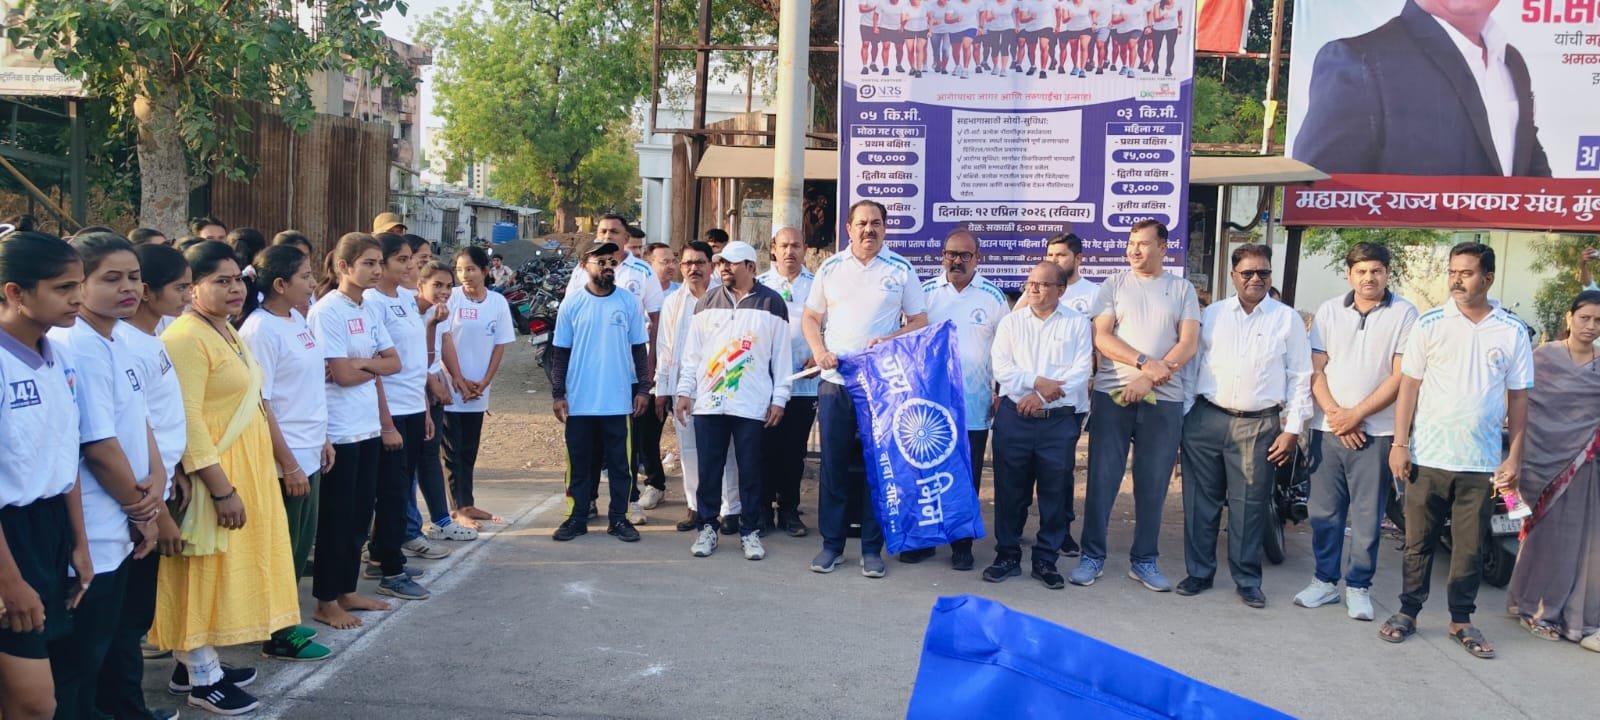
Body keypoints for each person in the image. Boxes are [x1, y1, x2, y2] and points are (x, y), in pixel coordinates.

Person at [154, 241, 300, 715]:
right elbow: (189, 420)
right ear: (191, 287)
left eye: (237, 278)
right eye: (220, 280)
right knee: (201, 571)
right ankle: (203, 678)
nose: (234, 288)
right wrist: (219, 487)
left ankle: (193, 660)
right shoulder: (184, 338)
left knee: (224, 569)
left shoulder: (224, 330)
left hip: (244, 467)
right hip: (214, 473)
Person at [1381, 242, 1533, 660]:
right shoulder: (1429, 324)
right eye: (1452, 272)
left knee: (1469, 547)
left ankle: (1461, 619)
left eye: (1466, 273)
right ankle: (1408, 611)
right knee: (1418, 542)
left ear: (1487, 278)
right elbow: (1408, 386)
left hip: (1480, 464)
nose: (1456, 280)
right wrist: (1400, 444)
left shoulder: (1512, 331)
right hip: (1427, 458)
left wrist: (1513, 457)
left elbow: (1519, 398)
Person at [44, 235, 168, 720]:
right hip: (98, 522)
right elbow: (97, 445)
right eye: (110, 279)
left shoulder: (114, 341)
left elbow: (138, 423)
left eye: (134, 277)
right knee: (79, 661)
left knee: (110, 643)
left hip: (126, 517)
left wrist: (155, 481)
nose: (128, 289)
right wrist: (142, 509)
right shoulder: (78, 345)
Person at [1177, 244, 1313, 609]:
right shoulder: (1214, 315)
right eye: (1248, 273)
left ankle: (1247, 578)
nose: (1256, 279)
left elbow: (1301, 376)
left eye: (1263, 273)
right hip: (1206, 419)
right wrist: (1187, 417)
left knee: (1249, 505)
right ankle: (1199, 573)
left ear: (1271, 276)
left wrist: (1292, 429)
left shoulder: (1287, 319)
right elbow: (1192, 367)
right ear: (1233, 276)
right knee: (1199, 503)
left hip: (1258, 425)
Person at [1293, 243, 1418, 621]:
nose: (1369, 278)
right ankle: (1325, 582)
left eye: (1376, 270)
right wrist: (1335, 414)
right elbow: (1316, 368)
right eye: (1362, 271)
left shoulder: (1404, 312)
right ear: (1349, 273)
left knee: (1367, 516)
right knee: (1324, 513)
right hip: (1327, 429)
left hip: (1375, 433)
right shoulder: (1330, 310)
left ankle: (1359, 587)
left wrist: (1357, 415)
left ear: (1387, 273)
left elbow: (1400, 376)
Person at [804, 200, 929, 578]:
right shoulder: (830, 268)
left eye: (875, 223)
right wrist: (820, 351)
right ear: (848, 228)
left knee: (879, 468)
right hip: (836, 384)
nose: (868, 230)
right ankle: (832, 546)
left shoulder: (901, 270)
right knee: (834, 467)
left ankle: (873, 549)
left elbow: (920, 321)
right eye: (861, 223)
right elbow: (811, 317)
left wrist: (890, 338)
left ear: (885, 228)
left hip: (881, 388)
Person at [1294, 0, 1550, 177]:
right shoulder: (1360, 59)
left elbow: (1528, 163)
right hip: (1417, 245)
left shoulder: (1511, 62)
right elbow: (1319, 193)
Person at [1077, 219, 1199, 591]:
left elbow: (1188, 344)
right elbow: (1102, 337)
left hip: (1164, 400)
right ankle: (1092, 555)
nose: (1134, 250)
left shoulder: (1182, 289)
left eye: (1143, 244)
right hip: (1113, 396)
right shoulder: (1113, 285)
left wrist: (1150, 378)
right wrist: (1144, 364)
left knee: (1153, 483)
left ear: (1163, 248)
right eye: (1131, 243)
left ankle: (1144, 560)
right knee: (1101, 478)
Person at [100, 243, 193, 720]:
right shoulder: (115, 346)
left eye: (133, 278)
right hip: (129, 503)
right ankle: (126, 709)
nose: (128, 289)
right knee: (120, 621)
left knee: (131, 616)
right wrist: (155, 511)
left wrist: (171, 473)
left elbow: (152, 422)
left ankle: (126, 706)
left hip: (155, 488)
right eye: (180, 287)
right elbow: (109, 440)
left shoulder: (148, 338)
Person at [0, 232, 90, 720]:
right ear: (15, 292)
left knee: (41, 687)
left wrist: (78, 542)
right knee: (35, 702)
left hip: (50, 529)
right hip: (9, 539)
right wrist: (10, 583)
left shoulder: (60, 355)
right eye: (62, 288)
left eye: (78, 284)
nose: (77, 298)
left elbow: (65, 455)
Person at [237, 245, 339, 662]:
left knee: (298, 545)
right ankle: (276, 632)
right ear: (279, 284)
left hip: (309, 448)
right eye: (305, 276)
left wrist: (324, 438)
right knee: (281, 548)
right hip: (286, 458)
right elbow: (261, 405)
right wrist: (289, 462)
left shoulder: (296, 318)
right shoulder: (259, 331)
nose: (313, 282)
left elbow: (308, 386)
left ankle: (283, 620)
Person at [306, 233, 404, 630]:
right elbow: (341, 376)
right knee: (337, 517)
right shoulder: (328, 311)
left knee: (361, 514)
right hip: (340, 429)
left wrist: (361, 364)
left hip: (366, 428)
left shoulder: (368, 308)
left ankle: (347, 589)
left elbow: (394, 362)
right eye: (368, 262)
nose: (377, 270)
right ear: (344, 267)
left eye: (379, 262)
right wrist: (367, 364)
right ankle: (325, 600)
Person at [674, 241, 793, 560]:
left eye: (733, 263)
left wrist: (780, 398)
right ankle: (707, 528)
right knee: (709, 469)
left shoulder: (772, 303)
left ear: (751, 267)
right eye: (721, 262)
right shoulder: (706, 302)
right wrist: (685, 391)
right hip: (710, 402)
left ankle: (751, 531)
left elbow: (782, 357)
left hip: (752, 404)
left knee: (751, 471)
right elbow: (692, 355)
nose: (724, 267)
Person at [983, 262, 1093, 590]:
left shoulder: (1076, 324)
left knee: (1054, 493)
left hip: (1057, 423)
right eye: (1031, 283)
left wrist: (1041, 398)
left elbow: (1080, 372)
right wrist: (1036, 384)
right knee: (1009, 491)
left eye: (1043, 285)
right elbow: (1001, 367)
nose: (1034, 289)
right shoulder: (1011, 322)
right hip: (1014, 418)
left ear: (1061, 290)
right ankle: (1007, 555)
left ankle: (1046, 559)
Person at [909, 229, 1007, 570]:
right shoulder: (925, 294)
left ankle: (961, 542)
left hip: (974, 405)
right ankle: (925, 540)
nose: (957, 261)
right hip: (931, 406)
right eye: (951, 254)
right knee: (927, 475)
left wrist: (1000, 391)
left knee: (966, 476)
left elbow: (1005, 350)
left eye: (965, 255)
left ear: (978, 259)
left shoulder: (993, 297)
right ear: (942, 255)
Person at [1507, 290, 1600, 652]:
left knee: (1582, 545)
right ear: (1569, 318)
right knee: (1542, 540)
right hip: (1537, 463)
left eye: (1598, 320)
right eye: (1585, 318)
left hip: (1583, 466)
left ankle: (1572, 612)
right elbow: (1522, 404)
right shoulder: (1542, 358)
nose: (1591, 326)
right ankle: (1535, 609)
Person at [550, 242, 651, 543]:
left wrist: (643, 389)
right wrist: (558, 394)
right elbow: (560, 353)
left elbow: (639, 350)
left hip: (618, 401)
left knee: (622, 465)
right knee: (579, 463)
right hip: (580, 402)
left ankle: (619, 519)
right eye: (600, 261)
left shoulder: (628, 303)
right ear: (584, 265)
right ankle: (578, 517)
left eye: (612, 260)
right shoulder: (572, 304)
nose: (608, 266)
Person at [567, 215, 663, 524]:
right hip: (586, 382)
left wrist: (646, 378)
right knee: (586, 450)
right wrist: (561, 388)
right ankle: (586, 503)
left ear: (626, 237)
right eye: (603, 230)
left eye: (614, 231)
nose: (608, 234)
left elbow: (653, 324)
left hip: (624, 380)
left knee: (624, 451)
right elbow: (567, 334)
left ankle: (627, 505)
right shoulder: (580, 273)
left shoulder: (641, 271)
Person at [361, 235, 439, 597]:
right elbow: (377, 366)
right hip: (388, 410)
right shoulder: (372, 302)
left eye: (411, 259)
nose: (411, 266)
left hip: (410, 406)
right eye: (401, 260)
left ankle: (382, 555)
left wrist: (424, 406)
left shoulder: (406, 300)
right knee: (391, 493)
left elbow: (415, 360)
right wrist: (386, 422)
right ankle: (391, 569)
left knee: (401, 489)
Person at [656, 241, 741, 533]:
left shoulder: (727, 298)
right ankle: (695, 506)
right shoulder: (673, 302)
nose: (694, 268)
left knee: (725, 449)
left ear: (711, 266)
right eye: (688, 263)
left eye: (700, 263)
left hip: (721, 385)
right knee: (689, 449)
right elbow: (665, 349)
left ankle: (731, 510)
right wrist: (663, 390)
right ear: (681, 267)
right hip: (685, 388)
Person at [441, 246, 516, 530]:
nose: (465, 275)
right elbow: (442, 341)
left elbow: (499, 346)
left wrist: (484, 382)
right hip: (451, 388)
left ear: (486, 271)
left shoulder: (497, 303)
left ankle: (468, 502)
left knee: (469, 449)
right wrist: (458, 379)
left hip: (478, 391)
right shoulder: (451, 300)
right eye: (460, 269)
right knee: (451, 452)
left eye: (470, 269)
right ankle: (456, 508)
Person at [757, 228, 817, 538]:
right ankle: (764, 510)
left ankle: (790, 510)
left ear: (805, 249)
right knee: (765, 448)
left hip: (804, 384)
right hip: (766, 385)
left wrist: (820, 355)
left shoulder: (818, 285)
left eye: (796, 245)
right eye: (784, 245)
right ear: (773, 250)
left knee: (794, 451)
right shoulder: (761, 285)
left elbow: (829, 324)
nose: (790, 251)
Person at [413, 260, 475, 544]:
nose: (444, 291)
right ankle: (410, 529)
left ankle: (440, 520)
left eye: (448, 286)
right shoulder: (413, 312)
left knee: (429, 455)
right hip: (418, 388)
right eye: (437, 285)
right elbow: (416, 359)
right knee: (412, 462)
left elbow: (444, 342)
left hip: (434, 382)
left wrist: (455, 377)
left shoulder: (440, 313)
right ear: (419, 285)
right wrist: (431, 382)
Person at [1047, 233, 1098, 316]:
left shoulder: (1095, 292)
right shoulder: (1037, 290)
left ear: (1078, 258)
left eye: (1061, 255)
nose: (1053, 260)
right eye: (1050, 255)